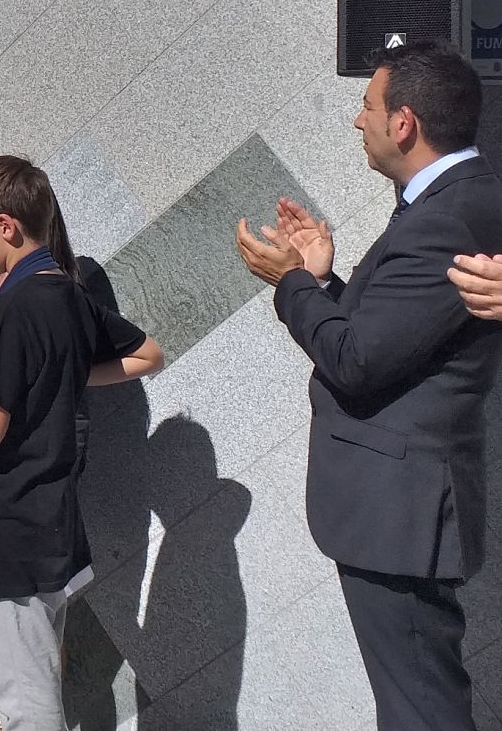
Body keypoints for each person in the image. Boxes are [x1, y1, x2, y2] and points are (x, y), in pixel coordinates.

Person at [237, 43, 502, 731]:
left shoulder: (448, 216)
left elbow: (354, 361)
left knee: (421, 709)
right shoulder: (450, 204)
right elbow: (393, 340)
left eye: (368, 106)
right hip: (397, 509)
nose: (359, 121)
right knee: (415, 701)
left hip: (400, 511)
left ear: (404, 123)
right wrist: (324, 280)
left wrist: (293, 282)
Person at [0, 155, 162, 731]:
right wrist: (60, 378)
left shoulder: (17, 305)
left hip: (7, 522)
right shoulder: (63, 293)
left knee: (24, 703)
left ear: (5, 226)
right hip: (45, 517)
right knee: (28, 677)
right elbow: (145, 352)